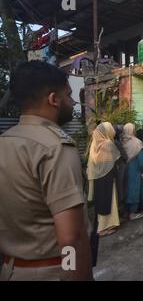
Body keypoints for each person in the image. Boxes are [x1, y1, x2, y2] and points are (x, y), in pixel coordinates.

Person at [0, 61, 93, 280]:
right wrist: (76, 275)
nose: (72, 103)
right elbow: (70, 238)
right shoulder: (56, 148)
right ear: (53, 99)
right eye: (69, 96)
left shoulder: (4, 142)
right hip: (51, 271)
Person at [88, 122, 122, 238]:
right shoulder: (108, 143)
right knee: (109, 201)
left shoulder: (94, 142)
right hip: (108, 176)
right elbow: (116, 157)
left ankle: (101, 225)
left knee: (101, 200)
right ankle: (104, 227)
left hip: (98, 175)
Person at [121, 123, 143, 221]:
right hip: (134, 169)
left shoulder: (121, 141)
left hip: (124, 169)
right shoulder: (137, 142)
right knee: (134, 189)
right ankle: (133, 213)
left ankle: (126, 212)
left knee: (125, 189)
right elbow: (140, 160)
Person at [113, 125, 129, 215]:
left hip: (115, 167)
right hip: (120, 166)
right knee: (121, 187)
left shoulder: (110, 141)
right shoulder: (117, 142)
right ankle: (121, 210)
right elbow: (124, 155)